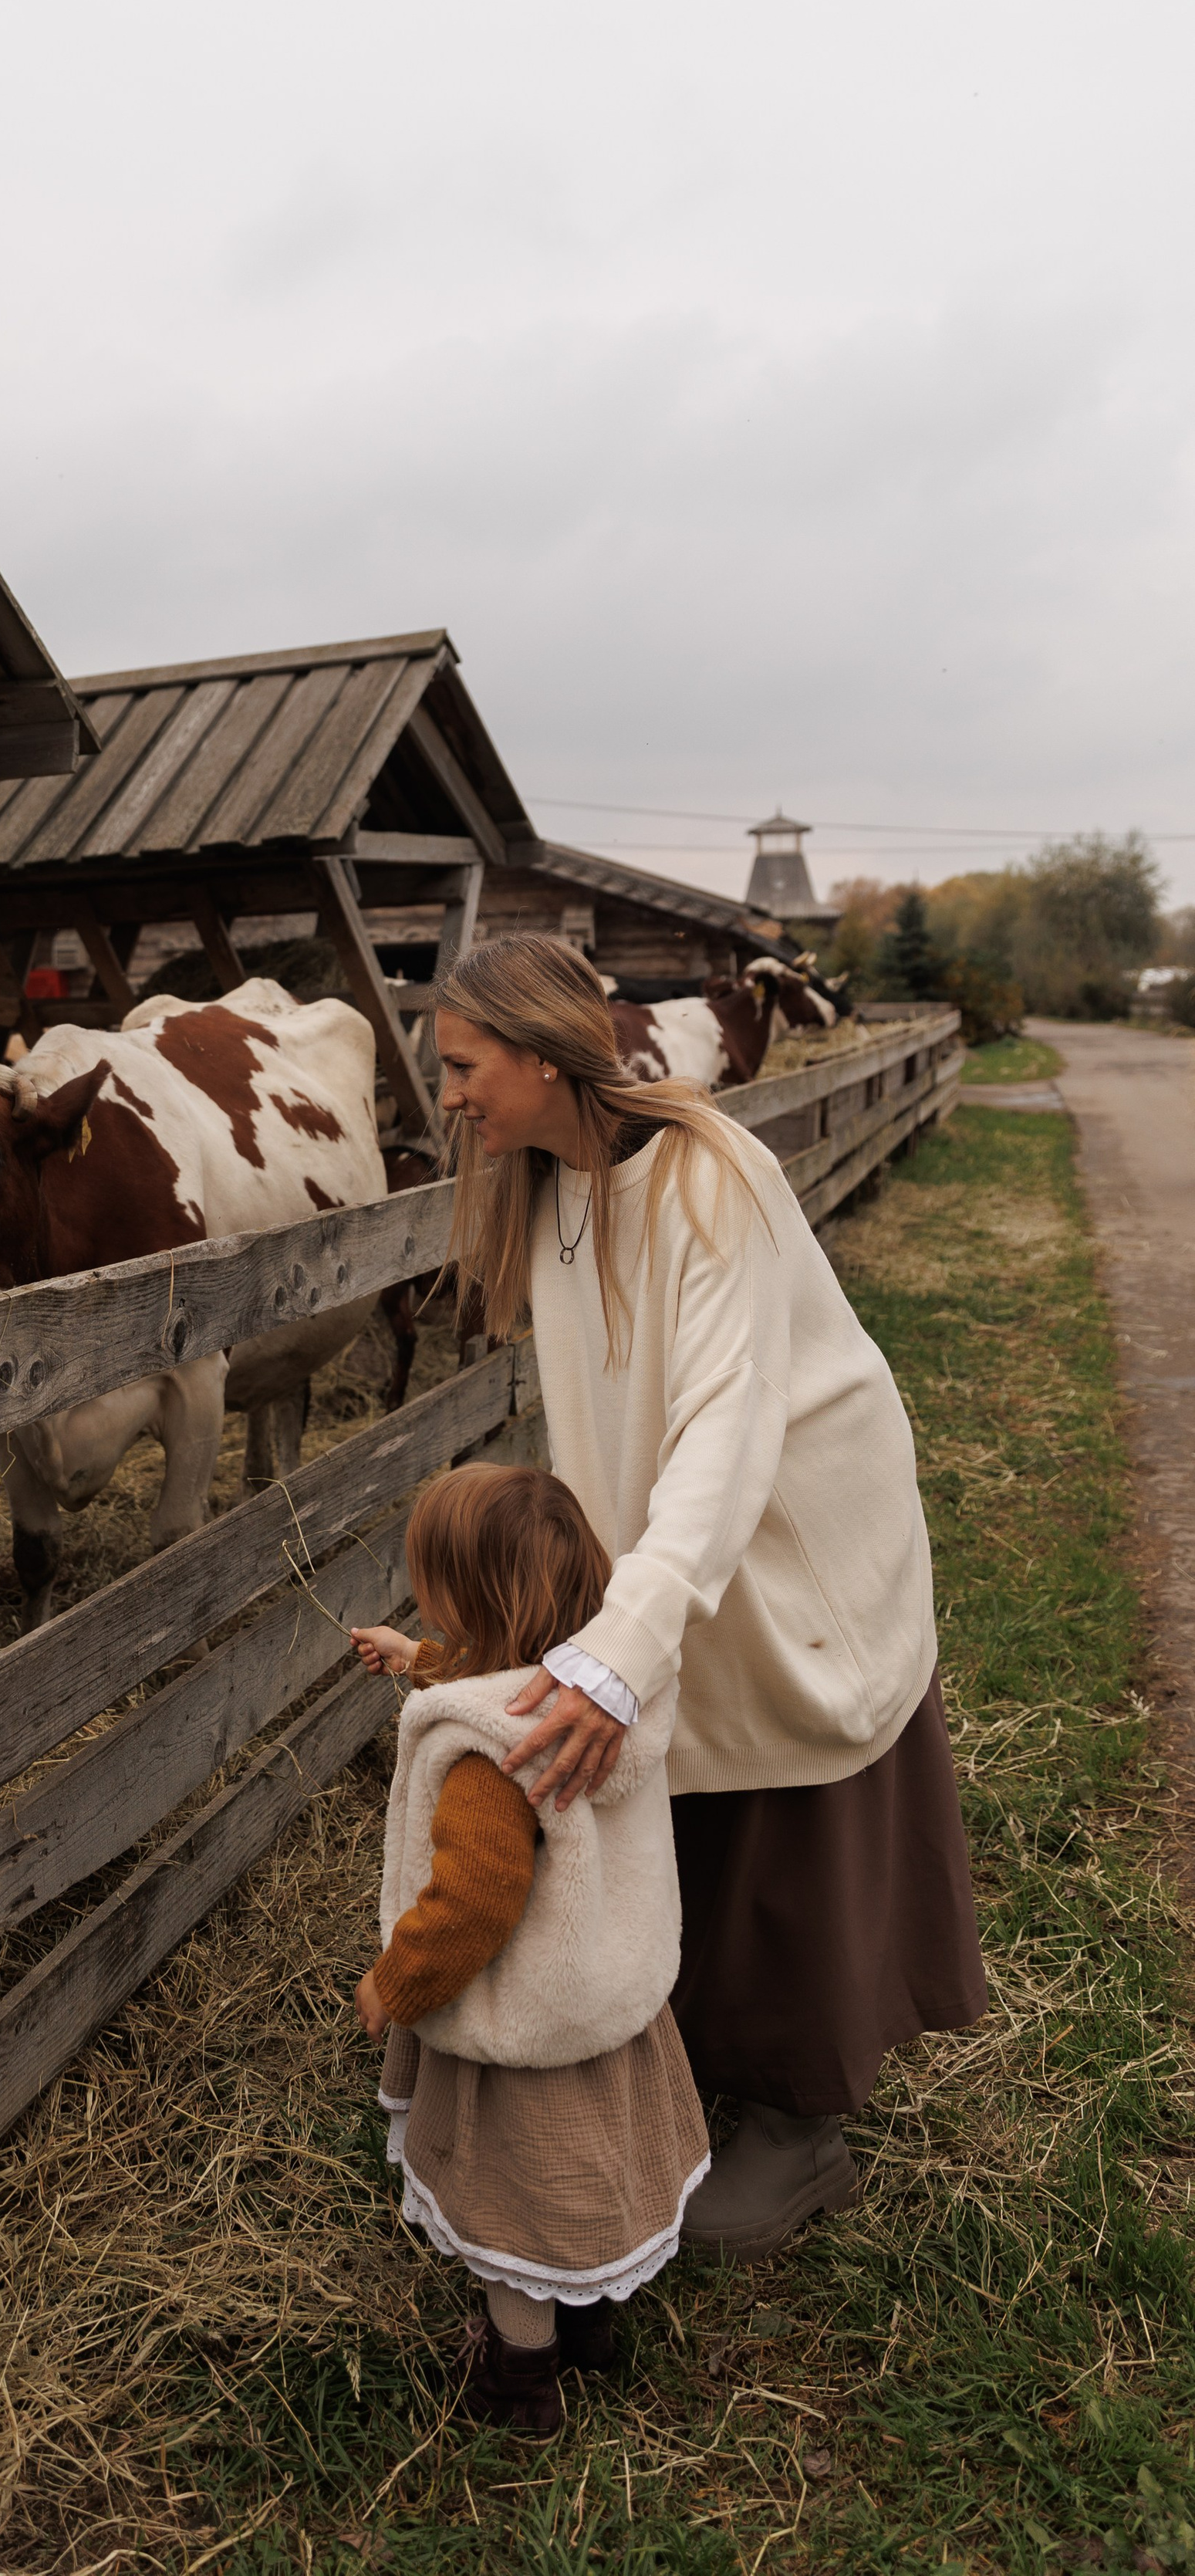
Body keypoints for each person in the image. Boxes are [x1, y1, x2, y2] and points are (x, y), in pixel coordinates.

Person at [430, 933, 986, 2262]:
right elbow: (603, 1416)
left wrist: (631, 1636)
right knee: (695, 1810)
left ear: (539, 1048)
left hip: (790, 1541)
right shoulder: (559, 1188)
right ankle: (723, 2076)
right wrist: (596, 1611)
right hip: (677, 1555)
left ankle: (804, 2130)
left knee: (794, 1810)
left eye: (460, 1067)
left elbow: (729, 1423)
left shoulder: (708, 1176)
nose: (447, 1097)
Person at [349, 1460, 709, 2438]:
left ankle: (521, 2374)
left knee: (518, 2200)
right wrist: (418, 1658)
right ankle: (593, 2325)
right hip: (605, 1992)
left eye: (432, 1581)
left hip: (526, 2025)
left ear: (469, 1597)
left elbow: (473, 1901)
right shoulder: (607, 1692)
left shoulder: (485, 1761)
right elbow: (501, 1675)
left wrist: (398, 1984)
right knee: (589, 2176)